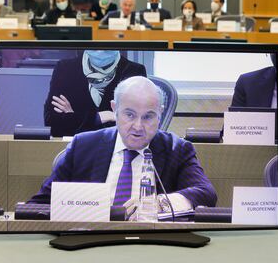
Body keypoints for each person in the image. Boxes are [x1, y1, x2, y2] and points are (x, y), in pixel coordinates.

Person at [30, 76, 217, 215]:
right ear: (114, 109)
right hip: (90, 241)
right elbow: (41, 203)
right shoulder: (83, 145)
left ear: (160, 114)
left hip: (153, 244)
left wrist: (158, 203)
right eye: (129, 114)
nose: (138, 126)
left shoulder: (177, 149)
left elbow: (206, 194)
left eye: (148, 117)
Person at [44, 50, 147, 137]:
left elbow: (135, 121)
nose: (100, 49)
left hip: (114, 147)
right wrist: (102, 116)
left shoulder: (135, 71)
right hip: (74, 147)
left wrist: (73, 116)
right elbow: (52, 119)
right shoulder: (65, 68)